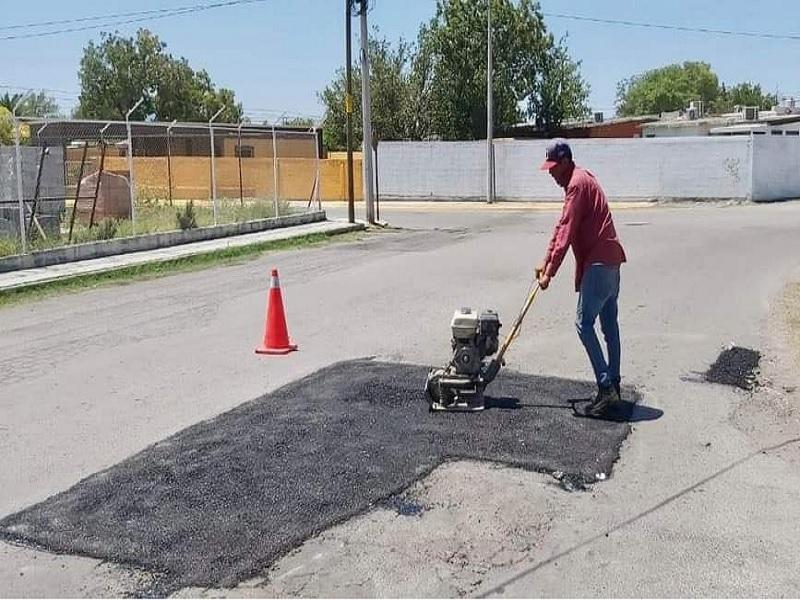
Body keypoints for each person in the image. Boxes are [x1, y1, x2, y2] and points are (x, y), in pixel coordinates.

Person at [536, 139, 627, 416]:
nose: (551, 173)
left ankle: (606, 387)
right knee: (609, 325)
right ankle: (614, 383)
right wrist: (545, 260)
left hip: (599, 264)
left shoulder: (576, 185)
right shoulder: (584, 178)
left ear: (565, 162)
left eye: (553, 167)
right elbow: (562, 226)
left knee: (583, 324)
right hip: (612, 261)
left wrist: (549, 273)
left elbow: (566, 232)